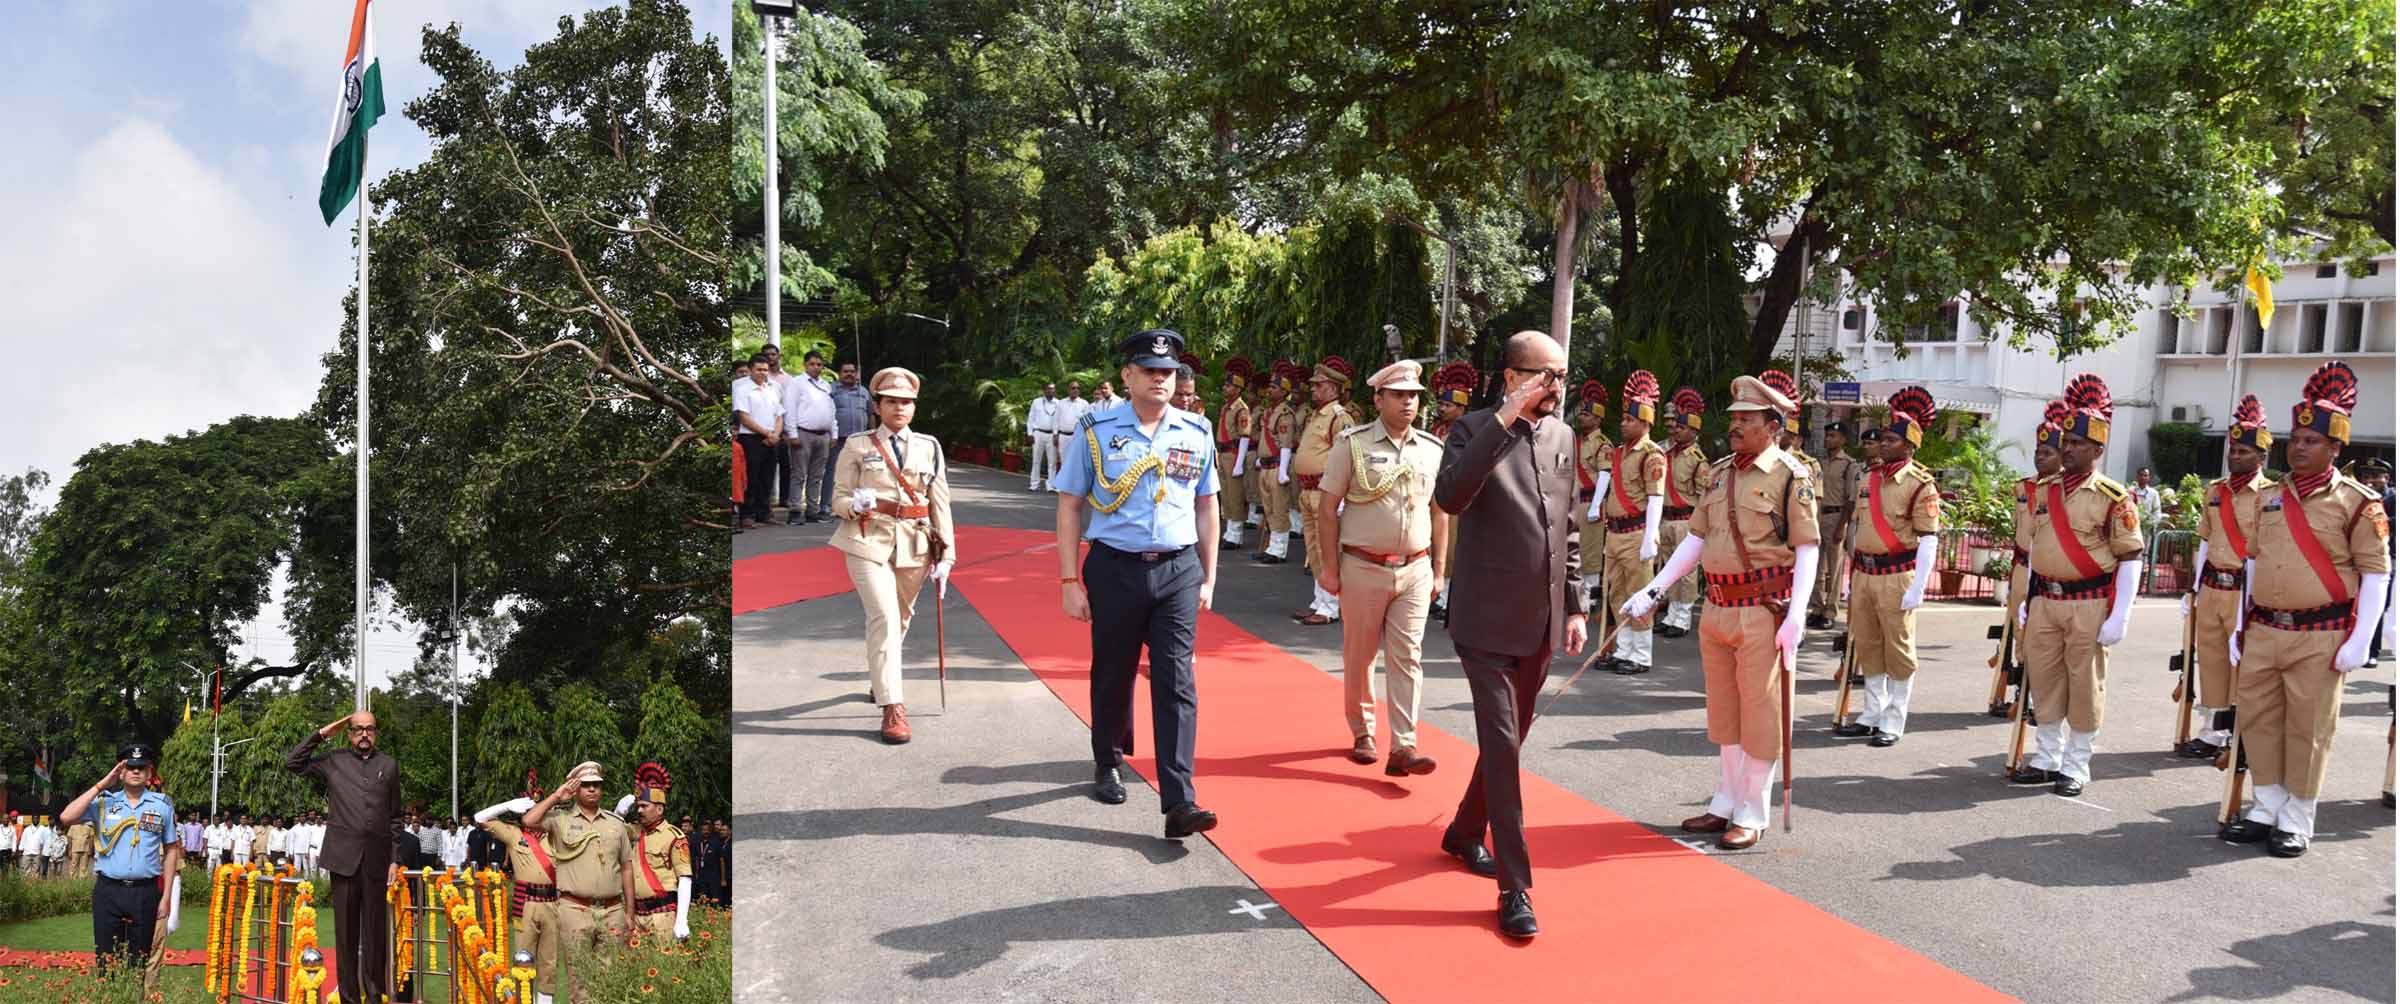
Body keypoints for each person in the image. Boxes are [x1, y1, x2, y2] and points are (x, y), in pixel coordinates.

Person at [1432, 331, 1591, 939]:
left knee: (1510, 744)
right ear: (1510, 376)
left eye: (1561, 377)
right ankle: (1516, 887)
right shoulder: (1473, 430)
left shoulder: (1564, 437)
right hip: (1484, 621)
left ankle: (1465, 831)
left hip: (1543, 620)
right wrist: (1504, 417)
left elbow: (1568, 527)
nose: (1555, 389)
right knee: (1503, 747)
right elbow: (1450, 496)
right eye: (1543, 376)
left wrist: (1574, 606)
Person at [1626, 372, 1821, 850]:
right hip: (1717, 607)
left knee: (1760, 715)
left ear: (1771, 425)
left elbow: (1808, 548)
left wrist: (1796, 615)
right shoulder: (1718, 472)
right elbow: (1696, 539)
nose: (1734, 425)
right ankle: (1725, 801)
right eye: (1733, 417)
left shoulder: (1790, 477)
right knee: (1725, 715)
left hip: (1762, 611)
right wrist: (1655, 589)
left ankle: (1751, 812)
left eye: (1746, 419)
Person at [1054, 328, 1223, 839]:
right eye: (1150, 370)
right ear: (1127, 376)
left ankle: (1180, 800)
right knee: (1114, 671)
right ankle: (1107, 759)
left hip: (1177, 569)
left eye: (1168, 372)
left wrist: (1209, 574)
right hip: (1115, 567)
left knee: (1177, 681)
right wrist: (1068, 579)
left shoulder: (1195, 431)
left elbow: (1207, 504)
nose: (1160, 379)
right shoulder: (1096, 429)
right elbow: (1069, 503)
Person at [2222, 362, 2389, 857]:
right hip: (2266, 628)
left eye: (2311, 440)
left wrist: (2361, 641)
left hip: (2321, 633)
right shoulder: (2269, 497)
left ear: (2336, 447)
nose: (2299, 447)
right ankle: (2267, 805)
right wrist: (2240, 625)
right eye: (2295, 438)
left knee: (2309, 727)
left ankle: (2298, 816)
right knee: (2258, 719)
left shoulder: (2359, 503)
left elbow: (2377, 573)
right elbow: (2254, 564)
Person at [2010, 374, 2144, 797]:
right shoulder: (2044, 490)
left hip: (2089, 602)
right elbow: (2035, 548)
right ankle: (2047, 757)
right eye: (2066, 441)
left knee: (2084, 684)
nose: (2067, 449)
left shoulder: (2113, 495)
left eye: (2078, 444)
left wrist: (2120, 614)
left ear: (2098, 450)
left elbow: (2130, 557)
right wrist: (2029, 597)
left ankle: (2077, 763)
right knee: (2045, 680)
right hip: (2046, 599)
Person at [1319, 360, 1449, 776]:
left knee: (1408, 656)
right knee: (1360, 655)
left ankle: (1405, 745)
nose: (1408, 402)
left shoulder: (1431, 448)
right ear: (1378, 399)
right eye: (1398, 394)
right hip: (1362, 565)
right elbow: (1326, 509)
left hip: (1415, 568)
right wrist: (1329, 570)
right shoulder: (1352, 444)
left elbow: (1440, 512)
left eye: (1413, 395)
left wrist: (1441, 569)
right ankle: (1363, 732)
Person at [831, 366, 956, 745]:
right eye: (891, 401)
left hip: (915, 545)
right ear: (877, 405)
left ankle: (880, 679)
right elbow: (837, 498)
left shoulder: (929, 447)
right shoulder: (858, 445)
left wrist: (947, 554)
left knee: (899, 620)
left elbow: (941, 502)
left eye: (906, 402)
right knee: (884, 616)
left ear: (914, 408)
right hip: (867, 540)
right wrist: (854, 505)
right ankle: (893, 707)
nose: (899, 408)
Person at [1830, 387, 1942, 747]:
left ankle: (1893, 720)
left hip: (1897, 576)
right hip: (1864, 574)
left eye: (1891, 440)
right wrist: (1849, 575)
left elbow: (1928, 538)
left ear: (1909, 446)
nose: (1882, 444)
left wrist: (1918, 586)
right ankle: (1870, 714)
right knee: (1867, 645)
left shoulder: (1920, 484)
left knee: (1899, 650)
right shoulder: (1868, 478)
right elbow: (1861, 529)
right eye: (1883, 438)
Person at [285, 710, 407, 1004]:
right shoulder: (333, 760)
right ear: (349, 733)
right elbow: (293, 762)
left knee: (375, 936)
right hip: (343, 860)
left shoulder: (388, 765)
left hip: (377, 862)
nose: (364, 735)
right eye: (357, 730)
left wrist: (394, 858)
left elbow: (394, 817)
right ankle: (350, 998)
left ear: (376, 732)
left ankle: (376, 996)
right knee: (346, 937)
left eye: (370, 729)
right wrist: (323, 733)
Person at [2178, 395, 2274, 759]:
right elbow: (2205, 541)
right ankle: (2212, 731)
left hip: (2244, 590)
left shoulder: (2271, 496)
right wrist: (2193, 591)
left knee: (2244, 664)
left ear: (2262, 457)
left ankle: (2240, 730)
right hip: (2213, 587)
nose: (2234, 455)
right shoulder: (2215, 490)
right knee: (2212, 662)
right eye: (2232, 449)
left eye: (2244, 451)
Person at [60, 744, 180, 988]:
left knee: (139, 960)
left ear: (149, 772)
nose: (135, 771)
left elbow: (170, 851)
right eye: (130, 767)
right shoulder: (104, 802)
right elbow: (67, 817)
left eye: (141, 767)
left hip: (144, 892)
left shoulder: (162, 805)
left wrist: (166, 896)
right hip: (109, 891)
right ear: (121, 771)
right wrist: (102, 784)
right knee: (106, 959)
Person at [523, 764, 637, 967]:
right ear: (576, 789)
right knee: (580, 978)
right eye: (585, 785)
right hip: (575, 910)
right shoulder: (560, 819)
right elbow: (529, 820)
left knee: (611, 981)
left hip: (613, 911)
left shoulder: (616, 823)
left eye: (596, 785)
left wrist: (629, 913)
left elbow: (627, 868)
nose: (592, 789)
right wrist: (556, 796)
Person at [1593, 372, 1666, 675]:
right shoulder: (1619, 453)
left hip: (1637, 533)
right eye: (1622, 418)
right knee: (1617, 595)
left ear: (1645, 421)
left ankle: (1641, 655)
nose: (1623, 423)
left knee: (1640, 596)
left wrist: (1651, 535)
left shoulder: (1652, 455)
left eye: (1629, 419)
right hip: (1616, 533)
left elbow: (1655, 498)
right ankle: (1623, 649)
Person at [477, 775, 563, 1003]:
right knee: (523, 957)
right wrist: (507, 805)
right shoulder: (514, 834)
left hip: (552, 903)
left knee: (549, 961)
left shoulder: (555, 835)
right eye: (529, 808)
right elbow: (479, 818)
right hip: (525, 904)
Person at [1292, 355, 1357, 626]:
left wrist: (1340, 498)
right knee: (1314, 549)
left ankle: (1330, 606)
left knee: (1328, 549)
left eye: (1319, 386)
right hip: (1309, 491)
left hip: (1325, 492)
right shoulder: (1317, 415)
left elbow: (1348, 458)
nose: (1313, 389)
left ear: (1332, 388)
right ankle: (1320, 600)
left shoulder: (1340, 418)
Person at [1658, 387, 1713, 637]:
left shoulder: (1697, 460)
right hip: (1666, 518)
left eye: (1681, 427)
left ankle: (1683, 617)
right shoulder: (1668, 455)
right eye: (1676, 426)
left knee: (1687, 571)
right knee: (1669, 567)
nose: (1676, 430)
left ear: (1693, 431)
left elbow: (1704, 497)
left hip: (1686, 520)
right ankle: (1671, 613)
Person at [1428, 361, 1479, 619]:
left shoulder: (1470, 432)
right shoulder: (1436, 430)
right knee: (1432, 546)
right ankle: (1437, 593)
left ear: (1461, 407)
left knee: (1451, 549)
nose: (1442, 408)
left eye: (1448, 405)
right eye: (1441, 404)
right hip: (1433, 495)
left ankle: (1449, 598)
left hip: (1454, 497)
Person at [626, 763, 693, 941]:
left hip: (663, 915)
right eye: (638, 806)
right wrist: (619, 810)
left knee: (666, 965)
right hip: (638, 916)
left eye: (644, 806)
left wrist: (681, 920)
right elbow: (610, 831)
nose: (639, 810)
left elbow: (685, 878)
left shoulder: (674, 836)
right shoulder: (634, 831)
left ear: (659, 809)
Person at [1810, 421, 1864, 629]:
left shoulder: (1849, 464)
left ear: (1843, 440)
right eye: (1827, 435)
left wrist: (1843, 525)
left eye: (1833, 436)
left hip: (1836, 516)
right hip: (1817, 515)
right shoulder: (1818, 462)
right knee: (1816, 566)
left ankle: (1830, 610)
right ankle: (1816, 607)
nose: (1828, 439)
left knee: (1834, 567)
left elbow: (1851, 498)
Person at [1570, 380, 1613, 614]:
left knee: (1591, 550)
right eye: (1582, 413)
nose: (1582, 417)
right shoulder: (1575, 441)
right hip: (1575, 501)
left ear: (1598, 419)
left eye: (1587, 414)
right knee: (1574, 547)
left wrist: (1597, 505)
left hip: (1591, 502)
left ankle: (1590, 594)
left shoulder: (1602, 445)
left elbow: (1605, 475)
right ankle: (1577, 592)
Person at [1250, 363, 1300, 565]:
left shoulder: (1285, 414)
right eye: (1270, 386)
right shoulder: (1268, 412)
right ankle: (1271, 546)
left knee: (1279, 508)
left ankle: (1279, 549)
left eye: (1274, 387)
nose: (1269, 390)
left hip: (1278, 466)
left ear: (1284, 392)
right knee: (1269, 508)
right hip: (1266, 465)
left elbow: (1286, 443)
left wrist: (1283, 471)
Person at [784, 350, 839, 525]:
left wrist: (834, 433)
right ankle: (794, 511)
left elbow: (831, 411)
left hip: (823, 435)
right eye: (812, 364)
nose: (816, 367)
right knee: (799, 474)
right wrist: (792, 433)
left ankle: (813, 511)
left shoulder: (825, 385)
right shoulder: (796, 383)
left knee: (817, 475)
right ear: (805, 365)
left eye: (819, 364)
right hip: (803, 432)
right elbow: (790, 408)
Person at [732, 353, 784, 529]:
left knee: (767, 477)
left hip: (771, 438)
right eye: (759, 369)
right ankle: (747, 515)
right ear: (751, 370)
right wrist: (766, 434)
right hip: (750, 438)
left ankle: (764, 513)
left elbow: (779, 415)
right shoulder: (742, 389)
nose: (763, 373)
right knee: (750, 478)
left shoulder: (771, 389)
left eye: (765, 370)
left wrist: (775, 435)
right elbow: (744, 417)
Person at [1217, 359, 1257, 548]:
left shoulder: (1242, 409)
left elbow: (1244, 436)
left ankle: (1235, 534)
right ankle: (1230, 531)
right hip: (1223, 453)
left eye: (1229, 385)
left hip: (1233, 453)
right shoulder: (1226, 407)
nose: (1225, 388)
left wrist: (1240, 462)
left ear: (1238, 389)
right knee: (1225, 494)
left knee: (1235, 494)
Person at [827, 360, 874, 509]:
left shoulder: (863, 391)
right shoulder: (831, 390)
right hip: (838, 440)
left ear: (856, 374)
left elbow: (871, 414)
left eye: (852, 371)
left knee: (863, 472)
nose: (849, 374)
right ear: (839, 374)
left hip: (861, 440)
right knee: (833, 472)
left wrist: (873, 435)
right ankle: (828, 506)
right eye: (845, 371)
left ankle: (860, 505)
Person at [1027, 381, 1062, 491]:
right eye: (1049, 389)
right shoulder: (1036, 402)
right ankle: (1034, 484)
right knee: (1036, 460)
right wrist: (1030, 433)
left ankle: (1051, 485)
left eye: (1053, 389)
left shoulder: (1059, 403)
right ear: (1044, 390)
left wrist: (1056, 434)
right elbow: (1030, 418)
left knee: (1052, 462)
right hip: (1038, 433)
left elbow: (1060, 420)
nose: (1051, 391)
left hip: (1052, 434)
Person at [2134, 467, 2164, 531]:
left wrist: (2151, 524)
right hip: (2132, 525)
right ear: (2137, 476)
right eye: (2141, 475)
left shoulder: (2153, 493)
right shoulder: (2130, 491)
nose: (2143, 477)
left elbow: (2157, 511)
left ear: (2149, 478)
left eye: (2145, 475)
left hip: (2147, 528)